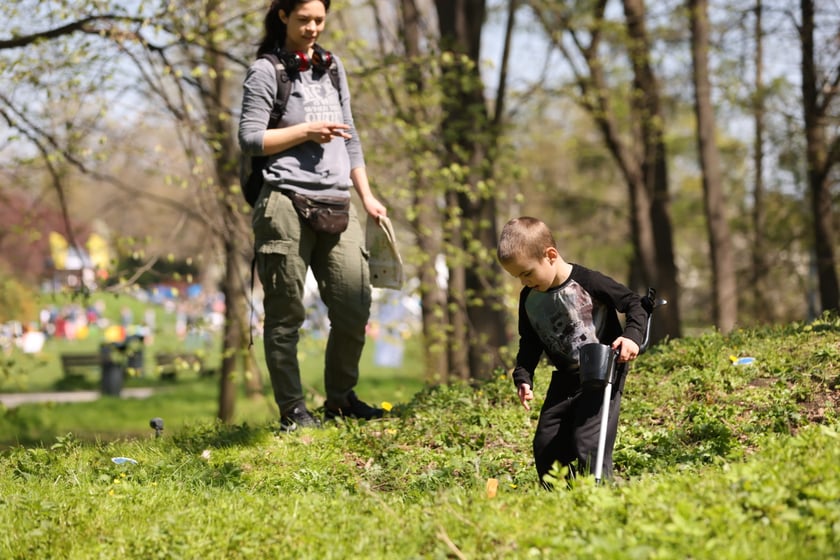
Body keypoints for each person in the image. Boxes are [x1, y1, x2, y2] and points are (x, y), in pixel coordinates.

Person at [238, 0, 387, 431]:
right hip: (285, 201)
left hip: (338, 200)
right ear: (283, 16)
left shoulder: (332, 66)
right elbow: (249, 139)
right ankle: (294, 412)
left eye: (319, 19)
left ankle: (340, 400)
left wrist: (368, 194)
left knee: (354, 306)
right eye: (303, 19)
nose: (312, 27)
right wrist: (305, 131)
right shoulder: (266, 71)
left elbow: (351, 135)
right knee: (285, 315)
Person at [497, 217, 647, 487]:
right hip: (565, 378)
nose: (523, 281)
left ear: (550, 255)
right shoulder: (529, 299)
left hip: (602, 372)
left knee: (588, 442)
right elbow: (529, 340)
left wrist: (631, 337)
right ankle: (560, 503)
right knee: (546, 445)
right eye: (517, 276)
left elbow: (633, 302)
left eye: (527, 273)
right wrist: (523, 375)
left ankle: (598, 498)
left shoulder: (588, 281)